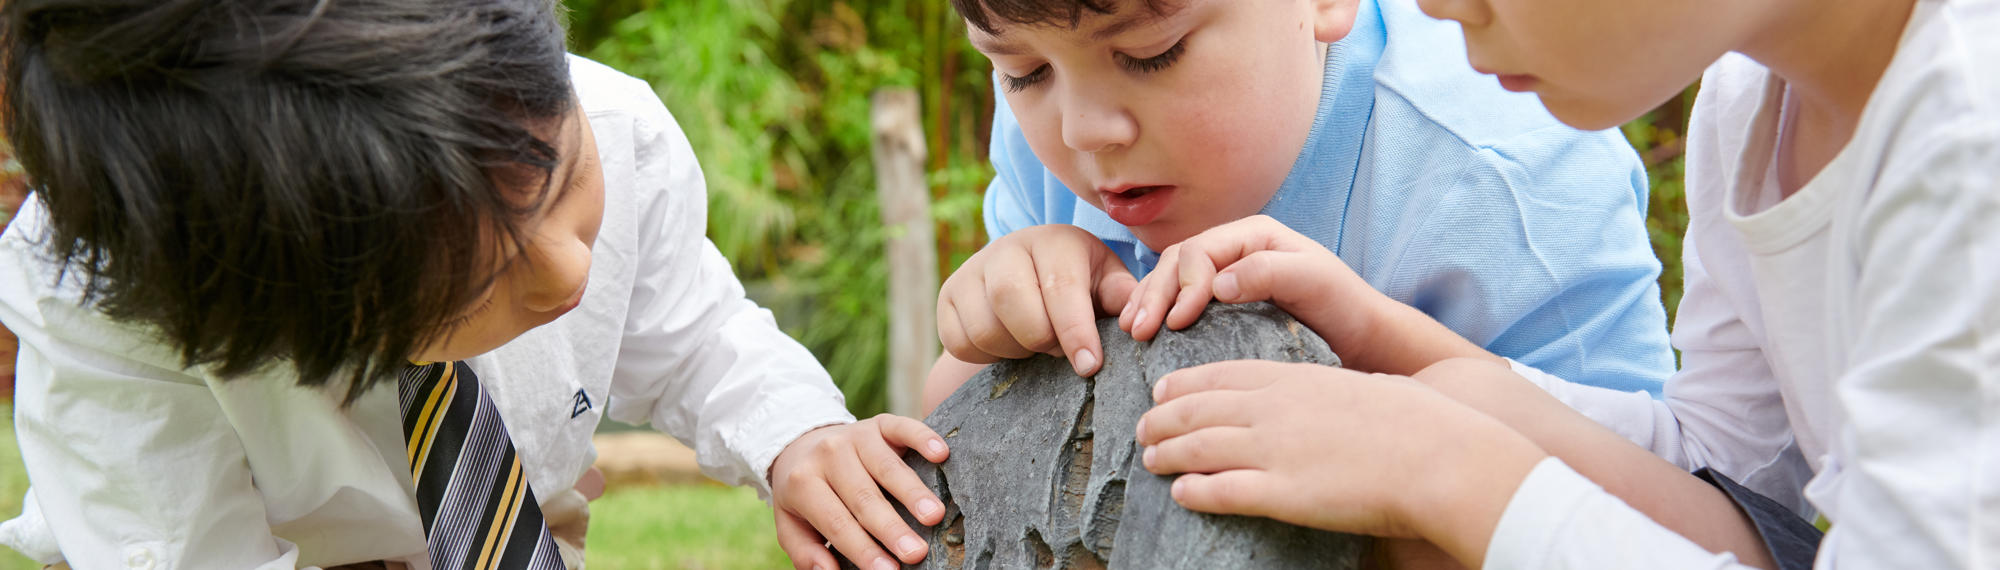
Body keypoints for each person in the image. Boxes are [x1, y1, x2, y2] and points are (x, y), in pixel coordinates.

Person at [0, 1, 946, 569]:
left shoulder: (615, 122)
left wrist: (796, 434)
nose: (569, 270)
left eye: (563, 179)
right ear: (272, 306)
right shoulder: (110, 307)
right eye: (472, 283)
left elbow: (699, 337)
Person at [1130, 0, 1996, 567]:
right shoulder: (1755, 101)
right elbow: (1734, 469)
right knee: (1465, 401)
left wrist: (1445, 468)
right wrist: (1387, 343)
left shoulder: (1968, 142)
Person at [923, 0, 1678, 414]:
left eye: (1152, 53)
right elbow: (953, 429)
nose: (1084, 128)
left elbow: (1654, 497)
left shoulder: (1508, 180)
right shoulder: (1051, 130)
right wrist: (996, 318)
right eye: (1022, 73)